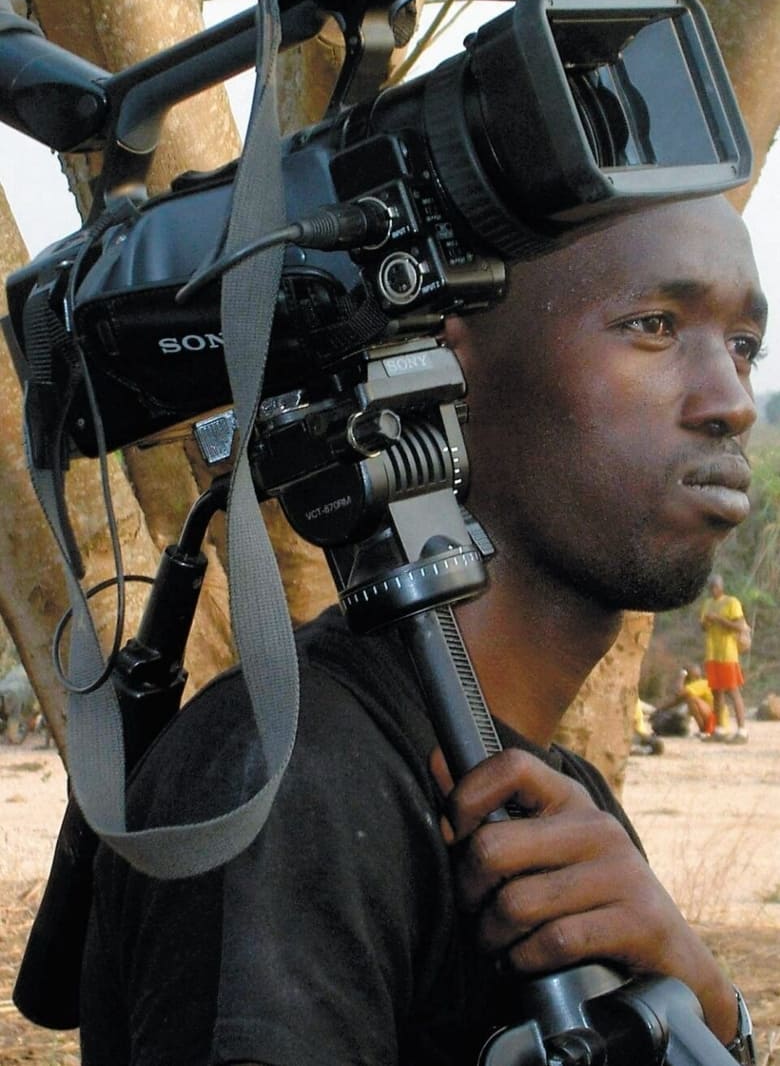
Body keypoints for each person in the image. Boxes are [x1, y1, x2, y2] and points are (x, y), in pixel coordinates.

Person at [77, 196, 764, 1066]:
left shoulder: (560, 799)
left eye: (745, 346)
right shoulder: (288, 784)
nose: (730, 400)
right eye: (654, 326)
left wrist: (705, 1007)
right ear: (445, 362)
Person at [700, 573, 750, 743]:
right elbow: (703, 627)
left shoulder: (731, 602)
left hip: (728, 653)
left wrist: (719, 619)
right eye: (711, 587)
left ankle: (742, 731)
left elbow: (739, 626)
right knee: (716, 692)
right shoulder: (707, 604)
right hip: (712, 652)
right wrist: (706, 622)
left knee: (733, 690)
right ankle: (719, 729)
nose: (713, 589)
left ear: (721, 586)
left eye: (716, 586)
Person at [655, 663, 720, 737]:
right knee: (686, 702)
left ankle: (704, 730)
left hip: (713, 720)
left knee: (691, 700)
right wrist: (660, 710)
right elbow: (677, 701)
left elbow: (679, 692)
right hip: (712, 718)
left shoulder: (701, 683)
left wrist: (682, 676)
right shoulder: (694, 688)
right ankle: (704, 730)